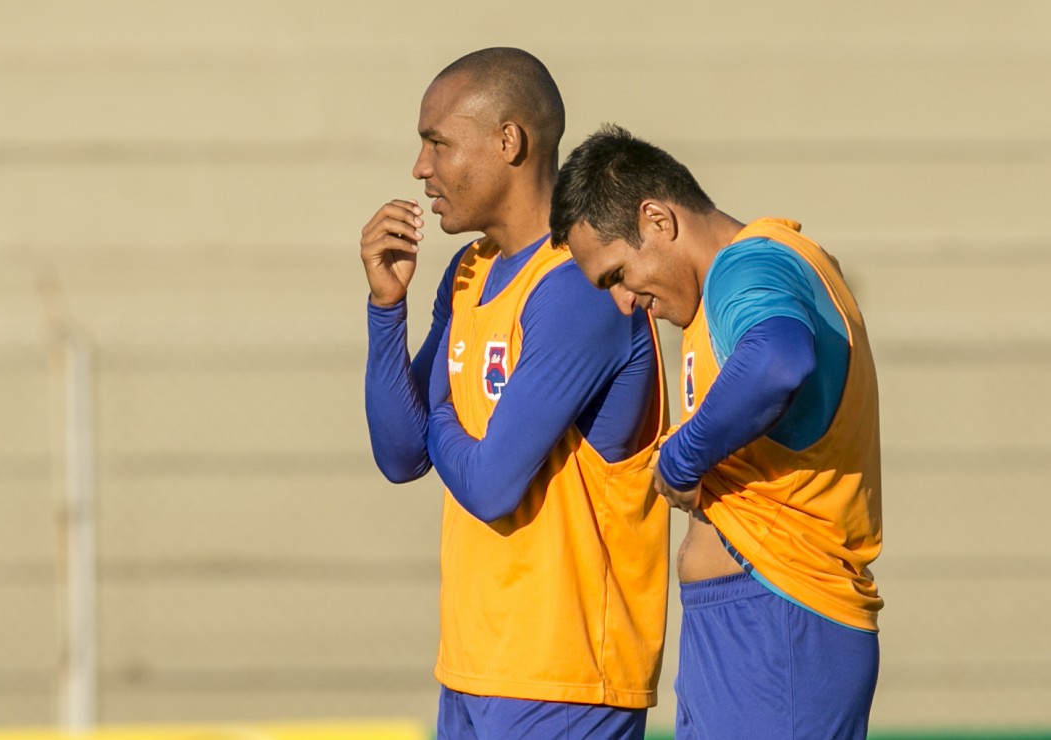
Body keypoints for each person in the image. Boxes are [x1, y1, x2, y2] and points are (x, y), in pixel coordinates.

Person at [360, 51, 671, 739]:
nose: (419, 168)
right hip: (473, 671)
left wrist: (439, 407)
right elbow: (400, 455)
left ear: (509, 142)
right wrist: (387, 311)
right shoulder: (469, 273)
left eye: (437, 142)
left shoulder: (577, 286)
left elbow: (492, 484)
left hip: (567, 680)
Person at [550, 124, 883, 740]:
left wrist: (681, 459)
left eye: (618, 274)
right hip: (753, 630)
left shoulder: (745, 267)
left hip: (780, 628)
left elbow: (779, 358)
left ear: (657, 219)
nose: (623, 301)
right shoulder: (731, 288)